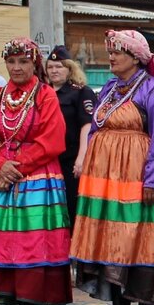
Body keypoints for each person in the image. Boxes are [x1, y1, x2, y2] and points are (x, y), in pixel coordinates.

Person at [70, 30, 154, 305]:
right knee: (109, 238)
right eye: (112, 52)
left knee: (141, 240)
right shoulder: (109, 88)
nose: (112, 57)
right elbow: (95, 129)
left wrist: (153, 179)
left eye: (118, 52)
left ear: (136, 57)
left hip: (137, 179)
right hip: (105, 182)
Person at [0, 37, 72, 305]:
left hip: (37, 180)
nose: (16, 68)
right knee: (10, 245)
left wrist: (14, 168)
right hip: (2, 179)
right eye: (12, 62)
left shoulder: (45, 96)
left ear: (34, 64)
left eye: (23, 62)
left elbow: (52, 140)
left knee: (35, 243)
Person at [46, 45, 95, 223]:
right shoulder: (43, 93)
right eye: (50, 67)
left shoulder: (81, 92)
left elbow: (87, 126)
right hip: (48, 162)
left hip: (71, 162)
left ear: (69, 69)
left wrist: (81, 158)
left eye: (58, 66)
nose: (54, 71)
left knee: (72, 210)